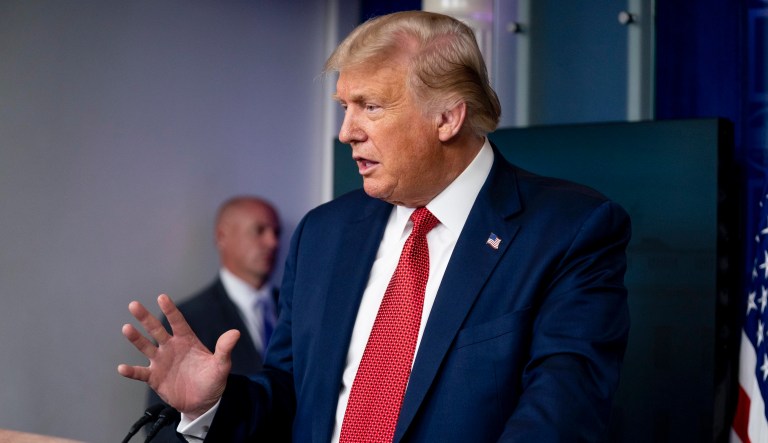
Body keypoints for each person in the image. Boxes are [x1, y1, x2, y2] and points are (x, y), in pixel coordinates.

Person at [119, 10, 631, 442]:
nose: (346, 133)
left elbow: (562, 416)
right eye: (345, 107)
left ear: (448, 118)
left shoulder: (570, 230)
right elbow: (292, 395)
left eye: (370, 107)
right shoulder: (323, 233)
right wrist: (213, 404)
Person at [145, 196, 281, 409]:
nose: (273, 242)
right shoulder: (188, 318)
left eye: (277, 232)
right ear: (222, 236)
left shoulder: (300, 308)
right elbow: (162, 425)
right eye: (259, 230)